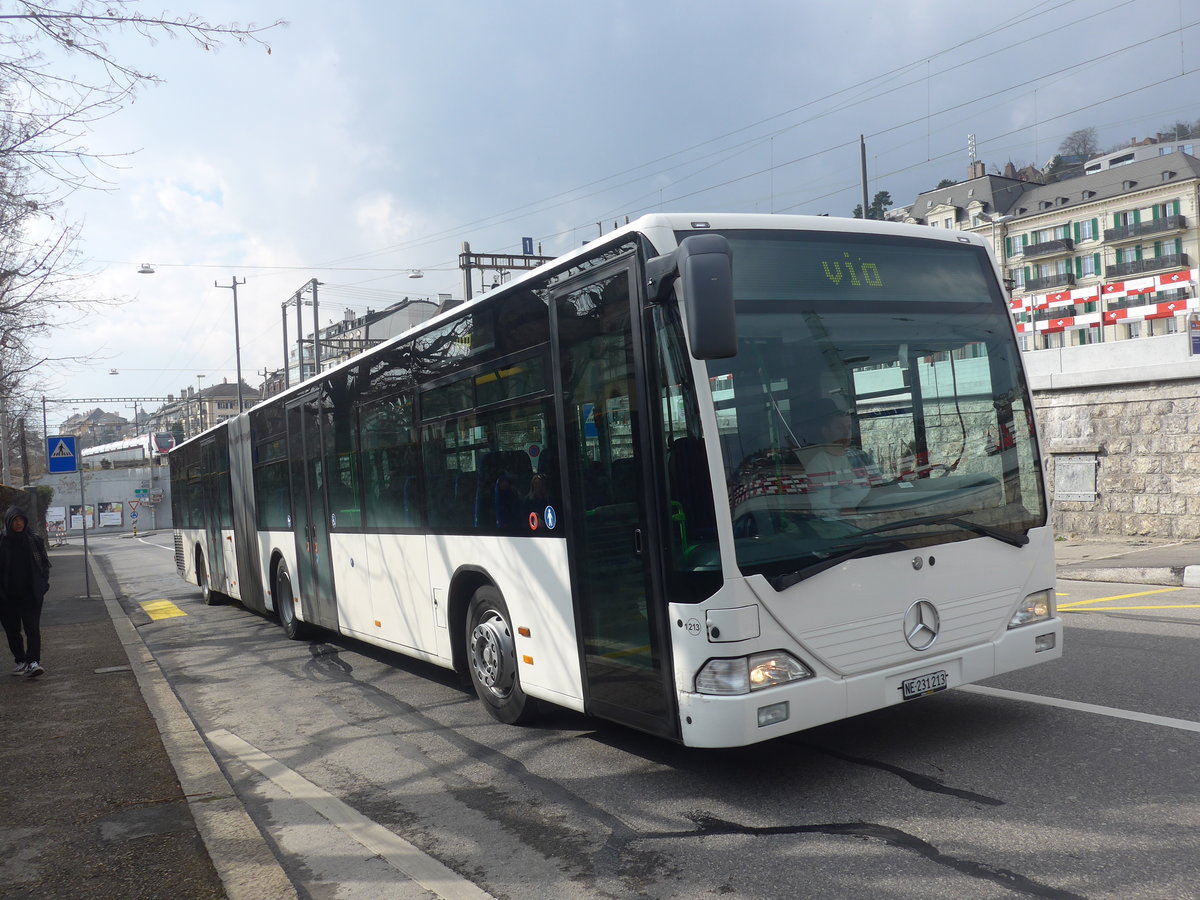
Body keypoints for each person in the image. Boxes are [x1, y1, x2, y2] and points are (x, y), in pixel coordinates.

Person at [796, 400, 873, 516]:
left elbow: (879, 488)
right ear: (826, 431)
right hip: (847, 525)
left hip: (876, 515)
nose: (846, 433)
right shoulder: (819, 464)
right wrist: (852, 512)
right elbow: (821, 507)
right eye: (839, 428)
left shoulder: (862, 456)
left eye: (849, 428)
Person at [0, 506, 51, 678]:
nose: (19, 523)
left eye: (21, 519)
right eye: (15, 520)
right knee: (12, 631)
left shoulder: (34, 540)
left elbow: (44, 565)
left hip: (31, 595)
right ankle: (20, 660)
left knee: (32, 629)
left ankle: (33, 662)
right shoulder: (2, 542)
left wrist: (43, 585)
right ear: (8, 522)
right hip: (7, 597)